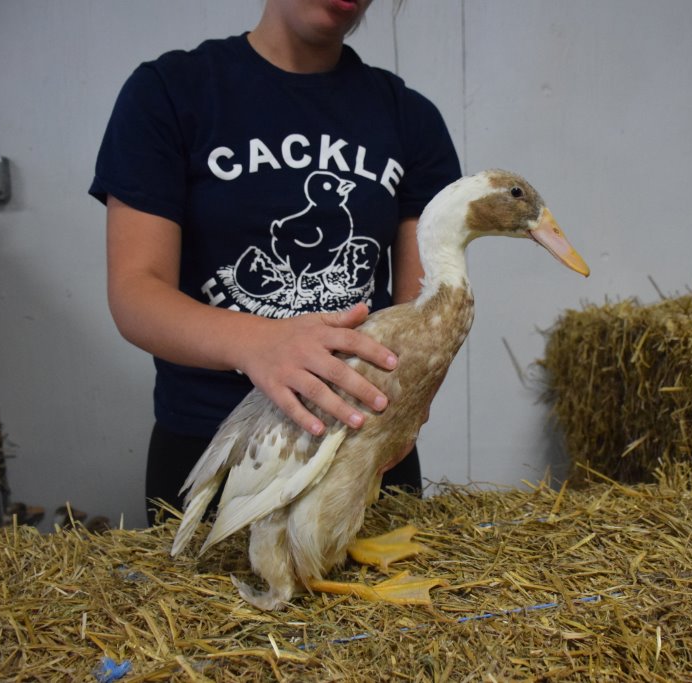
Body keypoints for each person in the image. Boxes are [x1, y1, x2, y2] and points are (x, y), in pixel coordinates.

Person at [89, 0, 461, 522]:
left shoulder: (411, 118)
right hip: (214, 449)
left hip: (357, 447)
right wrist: (261, 342)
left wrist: (408, 413)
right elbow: (135, 293)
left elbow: (426, 312)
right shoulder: (170, 92)